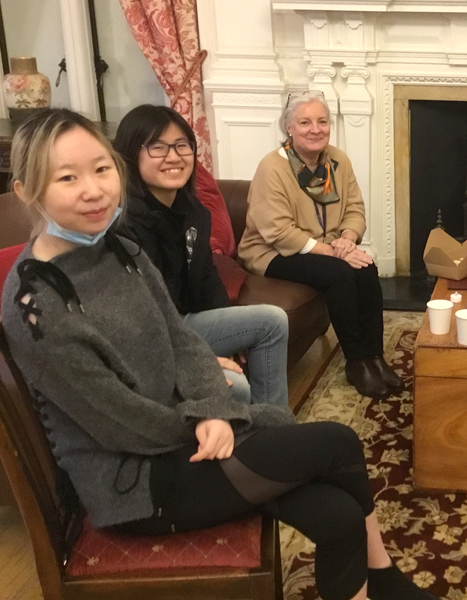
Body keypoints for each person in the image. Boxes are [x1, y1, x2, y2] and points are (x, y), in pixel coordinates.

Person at [1, 108, 436, 600]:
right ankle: (384, 577)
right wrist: (207, 420)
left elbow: (182, 340)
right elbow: (117, 423)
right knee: (337, 442)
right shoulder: (37, 303)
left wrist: (213, 407)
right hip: (136, 481)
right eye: (67, 177)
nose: (93, 189)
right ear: (26, 191)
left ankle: (378, 578)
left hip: (182, 436)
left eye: (102, 169)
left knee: (336, 515)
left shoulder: (120, 252)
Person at [113, 104, 289, 407]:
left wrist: (231, 333)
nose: (174, 157)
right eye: (158, 147)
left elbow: (207, 275)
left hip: (184, 321)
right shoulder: (124, 222)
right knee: (235, 386)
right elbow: (138, 316)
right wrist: (194, 356)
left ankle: (273, 425)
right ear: (131, 155)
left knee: (273, 320)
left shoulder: (192, 210)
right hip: (149, 339)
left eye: (182, 145)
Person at [239, 91, 399, 400]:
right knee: (339, 273)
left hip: (327, 246)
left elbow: (355, 209)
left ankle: (375, 356)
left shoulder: (338, 160)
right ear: (289, 127)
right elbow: (277, 231)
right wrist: (335, 253)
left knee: (366, 268)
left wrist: (348, 239)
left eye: (322, 121)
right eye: (305, 122)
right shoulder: (272, 167)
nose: (315, 129)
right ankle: (356, 362)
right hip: (272, 251)